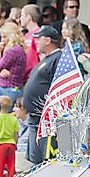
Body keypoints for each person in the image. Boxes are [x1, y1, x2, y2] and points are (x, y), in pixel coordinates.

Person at [23, 26, 62, 164]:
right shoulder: (47, 59)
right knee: (35, 157)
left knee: (41, 159)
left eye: (39, 39)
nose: (36, 42)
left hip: (44, 119)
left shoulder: (57, 59)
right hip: (35, 117)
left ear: (47, 40)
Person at [0, 22, 27, 104]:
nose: (2, 40)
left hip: (8, 89)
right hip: (15, 88)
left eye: (4, 37)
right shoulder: (19, 49)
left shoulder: (12, 51)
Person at [0, 95, 19, 177]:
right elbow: (16, 133)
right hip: (11, 143)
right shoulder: (13, 118)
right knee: (11, 164)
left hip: (0, 144)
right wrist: (15, 143)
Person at [20, 4, 43, 79]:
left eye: (22, 15)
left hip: (34, 77)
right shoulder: (26, 35)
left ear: (28, 17)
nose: (20, 18)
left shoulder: (40, 34)